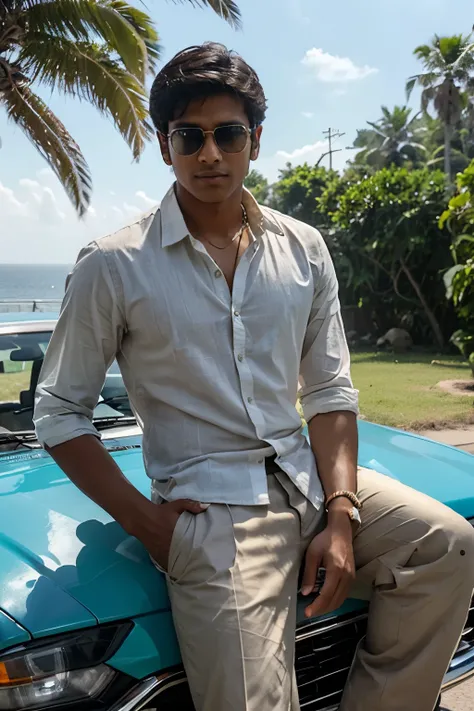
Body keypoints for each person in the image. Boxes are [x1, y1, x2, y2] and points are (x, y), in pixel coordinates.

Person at [34, 42, 474, 711]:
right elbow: (60, 411)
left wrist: (342, 512)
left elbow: (328, 391)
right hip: (212, 520)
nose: (209, 153)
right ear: (164, 145)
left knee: (447, 548)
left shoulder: (303, 249)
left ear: (256, 140)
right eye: (190, 135)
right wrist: (152, 528)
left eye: (228, 133)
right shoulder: (114, 266)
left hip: (306, 482)